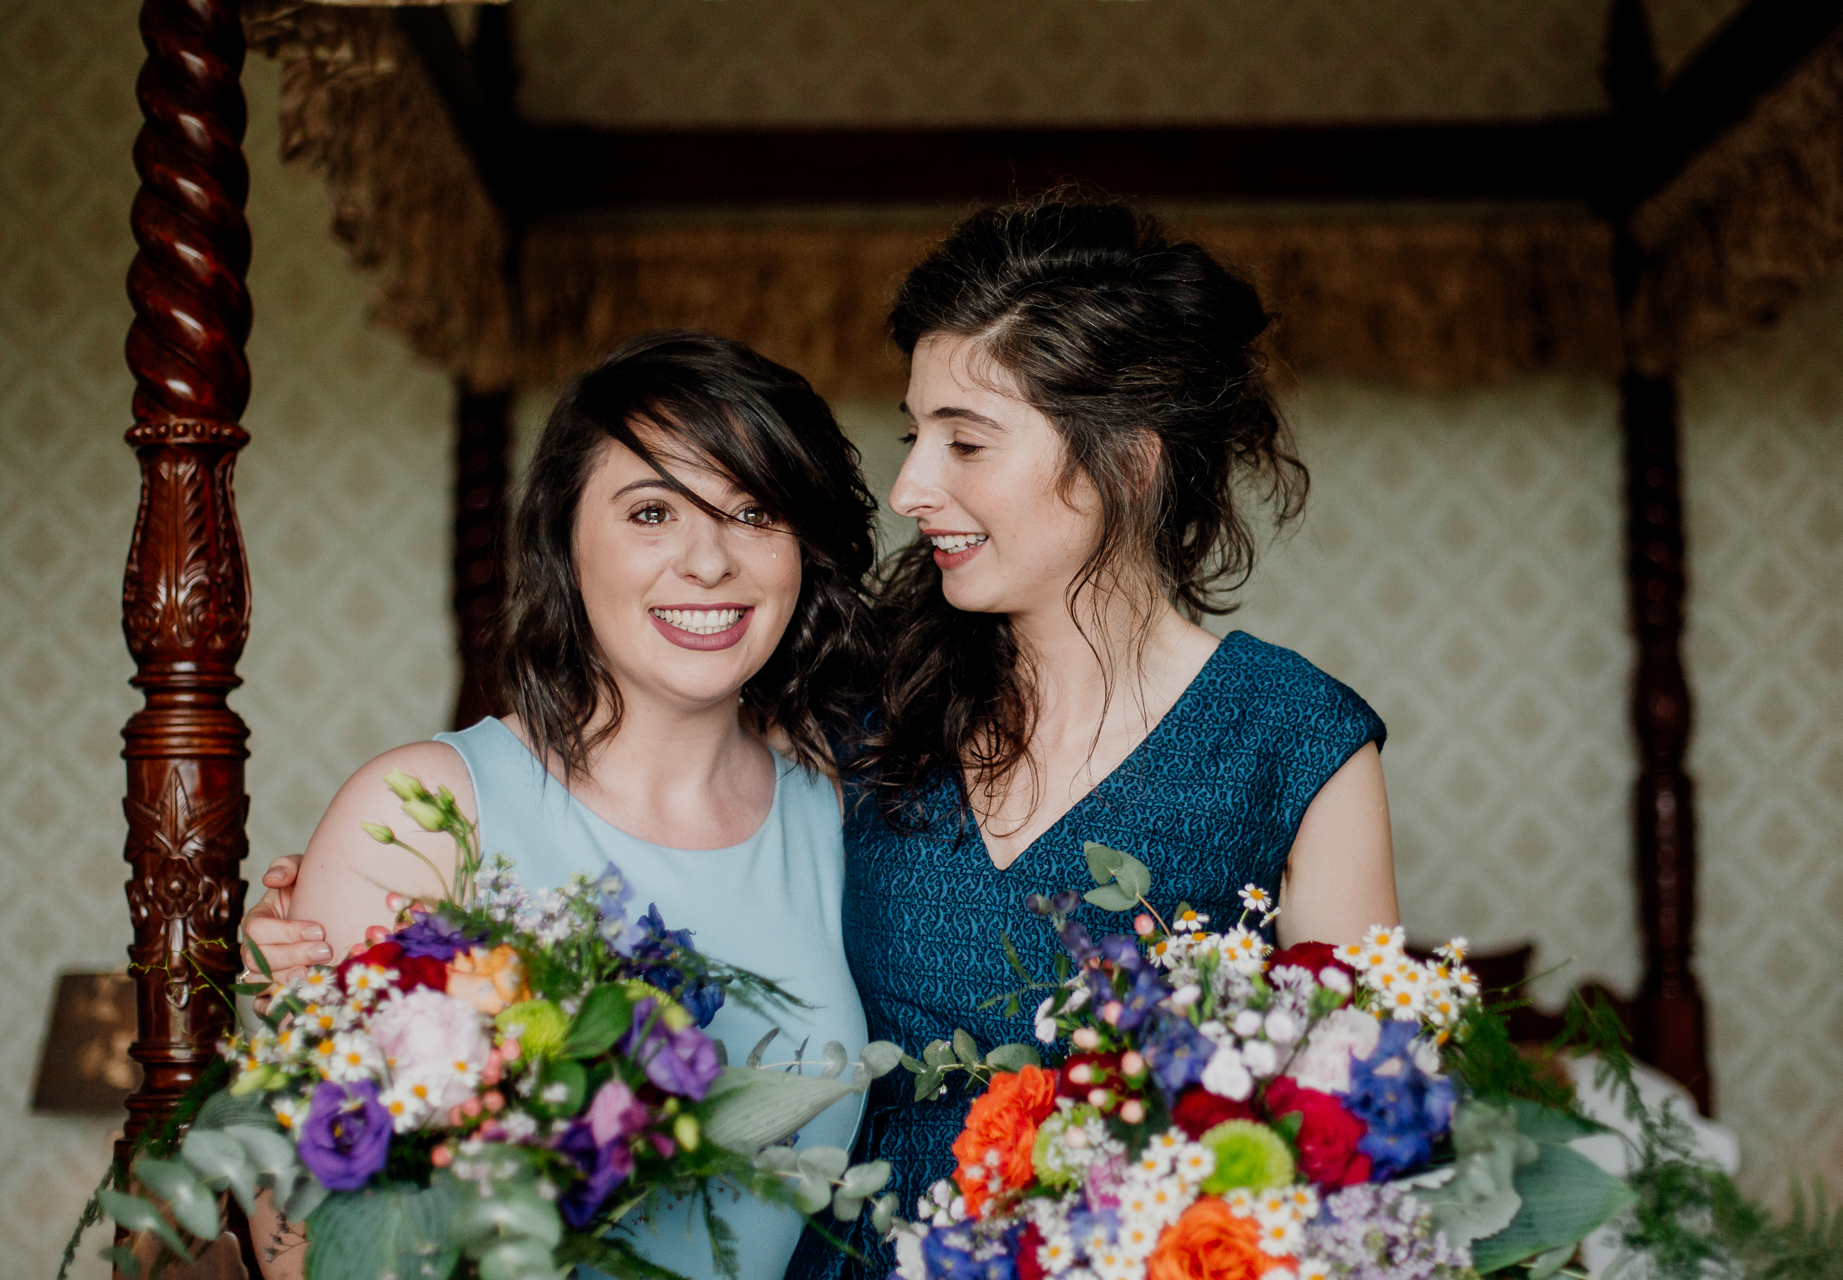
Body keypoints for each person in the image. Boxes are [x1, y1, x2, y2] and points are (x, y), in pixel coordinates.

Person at [248, 201, 1402, 1280]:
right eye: (914, 436)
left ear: (1128, 462)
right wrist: (330, 975)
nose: (911, 485)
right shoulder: (869, 704)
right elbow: (639, 752)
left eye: (965, 441)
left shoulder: (1298, 742)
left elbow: (1361, 1151)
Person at [243, 330, 879, 1280]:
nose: (709, 562)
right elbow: (297, 1248)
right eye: (653, 512)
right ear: (565, 543)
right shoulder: (420, 813)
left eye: (754, 511)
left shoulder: (838, 813)